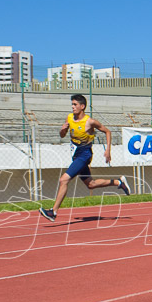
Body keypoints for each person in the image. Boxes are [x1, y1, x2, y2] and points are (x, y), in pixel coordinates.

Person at [39, 94, 130, 222]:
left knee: (63, 180)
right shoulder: (69, 118)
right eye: (72, 104)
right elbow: (62, 135)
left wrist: (108, 150)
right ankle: (118, 182)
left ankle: (53, 212)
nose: (72, 107)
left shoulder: (90, 121)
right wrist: (62, 130)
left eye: (75, 104)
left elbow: (107, 131)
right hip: (76, 155)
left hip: (85, 155)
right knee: (91, 184)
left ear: (82, 106)